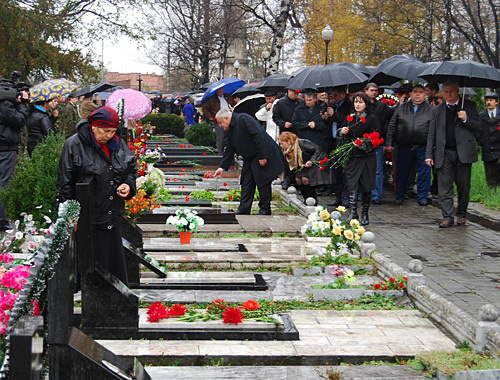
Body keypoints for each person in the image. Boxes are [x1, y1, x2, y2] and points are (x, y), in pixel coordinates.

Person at [56, 106, 137, 285]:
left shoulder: (117, 144)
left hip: (112, 213)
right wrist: (71, 215)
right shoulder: (74, 145)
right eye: (106, 131)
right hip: (88, 216)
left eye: (113, 131)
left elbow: (131, 169)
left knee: (113, 264)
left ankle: (114, 299)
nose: (109, 135)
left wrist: (128, 186)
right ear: (93, 126)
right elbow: (65, 182)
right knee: (93, 264)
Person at [425, 80, 481, 228]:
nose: (448, 94)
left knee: (463, 186)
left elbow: (479, 126)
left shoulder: (469, 106)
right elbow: (432, 133)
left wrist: (466, 119)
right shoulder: (437, 110)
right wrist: (429, 154)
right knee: (445, 187)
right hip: (444, 153)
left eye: (451, 91)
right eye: (446, 91)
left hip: (463, 153)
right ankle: (447, 217)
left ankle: (462, 214)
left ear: (457, 91)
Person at [214, 109, 283, 215]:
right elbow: (229, 149)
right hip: (249, 157)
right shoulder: (229, 129)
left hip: (262, 153)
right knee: (246, 181)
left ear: (227, 118)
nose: (220, 125)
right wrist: (222, 167)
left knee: (262, 181)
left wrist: (262, 155)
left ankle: (265, 209)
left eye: (220, 122)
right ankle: (244, 209)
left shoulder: (243, 119)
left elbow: (258, 136)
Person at [385, 85, 432, 206]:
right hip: (403, 145)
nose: (417, 94)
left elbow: (434, 129)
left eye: (421, 92)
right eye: (415, 92)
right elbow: (392, 125)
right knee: (401, 172)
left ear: (425, 94)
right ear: (411, 94)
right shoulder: (402, 108)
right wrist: (389, 142)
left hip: (423, 146)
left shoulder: (430, 110)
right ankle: (400, 195)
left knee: (424, 173)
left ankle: (422, 197)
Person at [337, 92, 379, 225]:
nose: (358, 105)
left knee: (367, 185)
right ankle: (353, 213)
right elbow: (341, 135)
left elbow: (375, 137)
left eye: (360, 102)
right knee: (352, 185)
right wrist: (342, 132)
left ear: (366, 104)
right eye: (356, 102)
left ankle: (365, 213)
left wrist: (363, 144)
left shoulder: (371, 118)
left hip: (366, 157)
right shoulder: (350, 118)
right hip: (353, 157)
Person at [0, 88, 30, 230]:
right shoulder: (5, 105)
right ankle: (3, 220)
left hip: (5, 146)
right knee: (5, 184)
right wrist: (22, 103)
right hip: (6, 147)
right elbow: (19, 120)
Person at [278, 132, 330, 205]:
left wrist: (311, 161)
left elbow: (318, 149)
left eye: (282, 144)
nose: (281, 146)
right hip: (302, 166)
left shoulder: (302, 143)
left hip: (312, 164)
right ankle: (306, 199)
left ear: (289, 141)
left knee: (305, 179)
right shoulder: (287, 150)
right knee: (298, 180)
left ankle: (312, 199)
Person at [364, 83, 392, 204]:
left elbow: (391, 119)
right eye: (371, 90)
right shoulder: (361, 105)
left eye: (376, 90)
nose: (374, 92)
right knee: (363, 169)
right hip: (363, 141)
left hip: (378, 142)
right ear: (366, 91)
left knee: (377, 170)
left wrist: (387, 139)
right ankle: (362, 193)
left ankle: (376, 195)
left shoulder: (382, 106)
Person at [325, 86, 353, 206]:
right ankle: (338, 196)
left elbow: (347, 121)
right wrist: (326, 117)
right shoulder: (333, 104)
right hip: (333, 141)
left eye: (336, 95)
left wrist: (334, 115)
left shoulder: (349, 105)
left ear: (343, 94)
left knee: (345, 172)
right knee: (335, 171)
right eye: (332, 95)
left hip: (344, 142)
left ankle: (346, 197)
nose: (334, 98)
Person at [273, 87, 304, 189]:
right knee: (285, 157)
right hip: (285, 133)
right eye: (293, 92)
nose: (295, 94)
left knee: (297, 156)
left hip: (297, 133)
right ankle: (287, 179)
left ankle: (296, 179)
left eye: (296, 93)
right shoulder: (281, 103)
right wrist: (283, 123)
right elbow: (275, 117)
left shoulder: (300, 102)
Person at [201, 87, 235, 153]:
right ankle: (220, 152)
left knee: (230, 136)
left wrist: (233, 107)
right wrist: (211, 117)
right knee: (220, 137)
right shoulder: (212, 99)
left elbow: (233, 104)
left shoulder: (227, 97)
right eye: (219, 90)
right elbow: (204, 108)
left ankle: (229, 152)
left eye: (222, 90)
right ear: (216, 91)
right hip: (219, 120)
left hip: (229, 118)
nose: (221, 92)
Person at [477, 92, 500, 187]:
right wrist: (481, 141)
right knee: (489, 171)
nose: (489, 102)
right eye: (487, 100)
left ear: (496, 102)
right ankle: (491, 189)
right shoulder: (481, 116)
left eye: (491, 100)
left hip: (499, 148)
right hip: (487, 147)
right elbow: (477, 131)